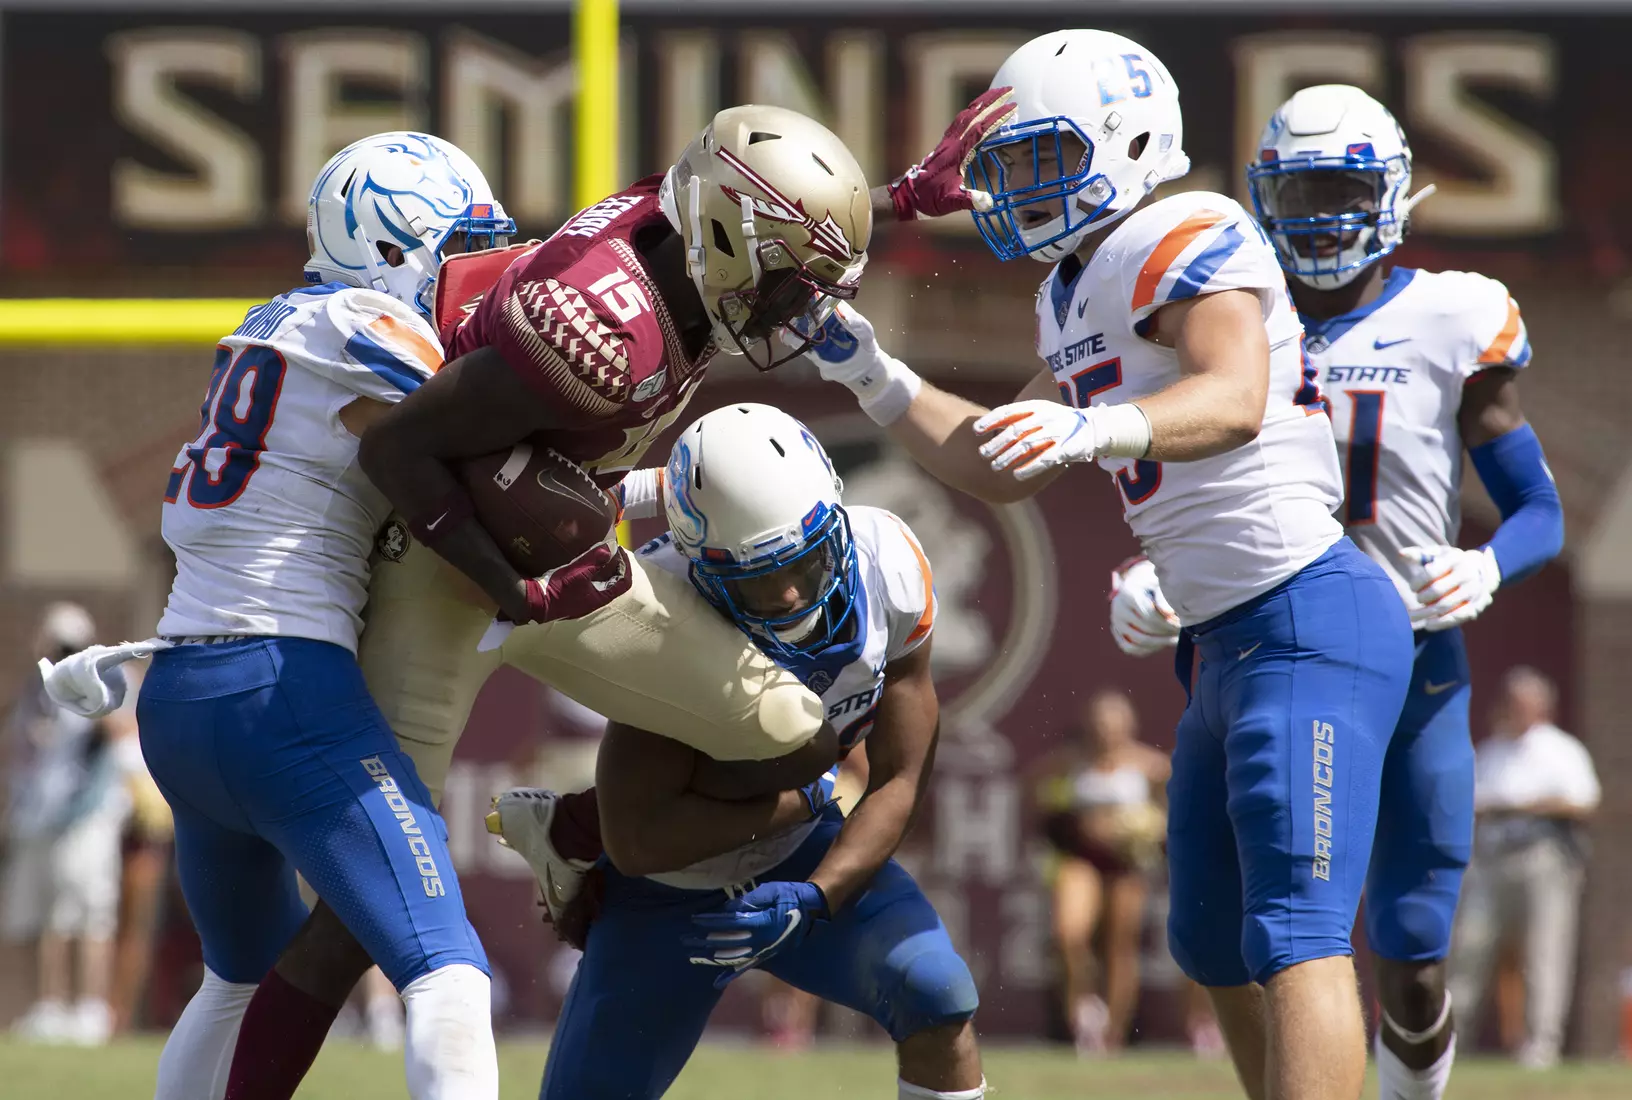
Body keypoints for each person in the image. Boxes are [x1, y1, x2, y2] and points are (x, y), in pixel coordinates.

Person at [211, 105, 874, 1100]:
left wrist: (903, 194)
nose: (793, 312)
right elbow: (402, 450)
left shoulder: (687, 219)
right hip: (443, 571)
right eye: (786, 283)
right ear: (728, 237)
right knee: (358, 916)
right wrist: (516, 586)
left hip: (559, 560)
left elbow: (760, 187)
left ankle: (574, 831)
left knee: (793, 733)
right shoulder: (604, 324)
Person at [804, 30, 1414, 1100]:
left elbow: (1232, 395)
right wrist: (874, 375)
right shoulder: (1071, 290)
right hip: (1225, 637)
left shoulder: (1188, 225)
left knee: (1296, 927)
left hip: (1309, 612)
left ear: (1132, 139)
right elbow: (999, 462)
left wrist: (1099, 432)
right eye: (1010, 166)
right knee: (1212, 937)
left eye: (1043, 156)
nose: (1021, 189)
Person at [1111, 83, 1568, 1100]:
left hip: (1409, 655)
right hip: (1265, 633)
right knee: (1228, 927)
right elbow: (1176, 477)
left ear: (1394, 192)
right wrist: (1155, 573)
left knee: (1409, 945)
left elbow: (1540, 508)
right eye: (1299, 187)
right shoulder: (1227, 314)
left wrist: (1491, 562)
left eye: (1340, 187)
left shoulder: (1453, 313)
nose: (1318, 212)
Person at [43, 132, 517, 1100]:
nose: (479, 272)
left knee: (234, 978)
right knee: (447, 966)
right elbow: (495, 439)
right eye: (462, 245)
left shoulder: (278, 322)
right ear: (393, 250)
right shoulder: (363, 325)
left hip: (182, 691)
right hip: (280, 685)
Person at [493, 403, 982, 1100]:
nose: (788, 593)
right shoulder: (663, 609)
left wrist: (817, 895)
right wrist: (803, 798)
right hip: (667, 893)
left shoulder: (889, 564)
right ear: (705, 569)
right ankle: (572, 826)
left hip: (806, 856)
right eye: (756, 577)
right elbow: (638, 839)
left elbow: (902, 776)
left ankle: (567, 826)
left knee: (939, 993)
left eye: (805, 562)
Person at [1448, 667, 1597, 1070]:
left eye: (1523, 702)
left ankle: (1540, 1046)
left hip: (1543, 857)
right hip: (1490, 857)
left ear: (1541, 706)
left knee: (1544, 952)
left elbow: (1582, 802)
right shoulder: (1492, 750)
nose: (1514, 709)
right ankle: (1453, 1041)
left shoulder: (1561, 750)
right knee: (1470, 948)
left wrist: (1521, 806)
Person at [2, 603, 131, 1045]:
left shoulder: (104, 678)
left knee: (91, 916)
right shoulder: (35, 692)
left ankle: (91, 1009)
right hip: (38, 820)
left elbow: (123, 732)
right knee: (45, 920)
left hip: (87, 819)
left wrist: (89, 693)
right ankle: (49, 1007)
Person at [1030, 688, 1168, 1054]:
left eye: (1113, 724)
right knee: (1068, 935)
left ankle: (1114, 1035)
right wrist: (1064, 826)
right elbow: (1033, 789)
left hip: (1127, 864)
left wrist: (1147, 830)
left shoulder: (1149, 766)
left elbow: (1171, 814)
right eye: (1099, 723)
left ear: (1129, 726)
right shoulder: (1071, 761)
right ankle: (1084, 1010)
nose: (1106, 731)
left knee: (1120, 946)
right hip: (1081, 859)